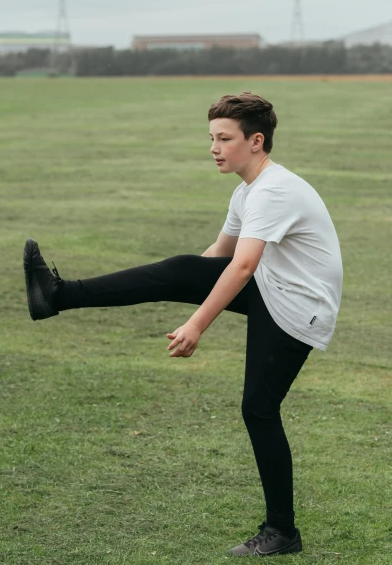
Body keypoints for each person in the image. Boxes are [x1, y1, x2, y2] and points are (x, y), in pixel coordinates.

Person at [23, 91, 343, 557]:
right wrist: (181, 282)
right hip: (277, 288)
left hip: (297, 308)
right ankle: (58, 295)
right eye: (211, 138)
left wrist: (196, 324)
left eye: (224, 138)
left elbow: (242, 267)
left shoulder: (273, 190)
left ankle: (282, 532)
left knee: (258, 409)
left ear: (256, 141)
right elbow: (214, 259)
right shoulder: (247, 189)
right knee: (179, 268)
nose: (214, 147)